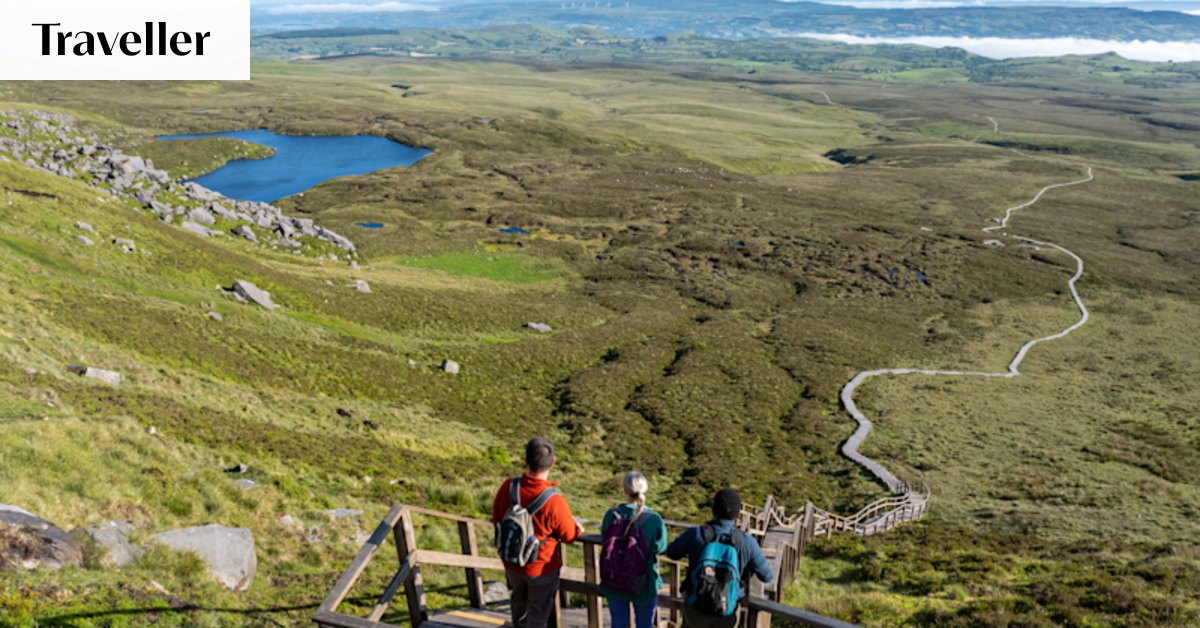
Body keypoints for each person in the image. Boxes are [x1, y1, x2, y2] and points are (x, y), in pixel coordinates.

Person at [492, 436, 584, 628]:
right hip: (541, 569)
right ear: (553, 462)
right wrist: (578, 529)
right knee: (538, 615)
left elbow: (496, 519)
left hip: (512, 564)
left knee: (518, 607)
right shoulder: (554, 501)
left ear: (526, 461)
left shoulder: (508, 487)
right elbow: (569, 535)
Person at [665, 488, 773, 628]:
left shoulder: (696, 534)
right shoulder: (747, 542)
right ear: (738, 514)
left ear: (713, 510)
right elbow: (767, 576)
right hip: (726, 613)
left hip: (695, 611)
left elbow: (672, 552)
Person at [599, 471, 668, 628]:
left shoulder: (612, 515)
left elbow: (604, 537)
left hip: (613, 579)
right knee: (644, 625)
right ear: (645, 491)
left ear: (625, 491)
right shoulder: (654, 520)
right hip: (643, 583)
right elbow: (661, 547)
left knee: (618, 623)